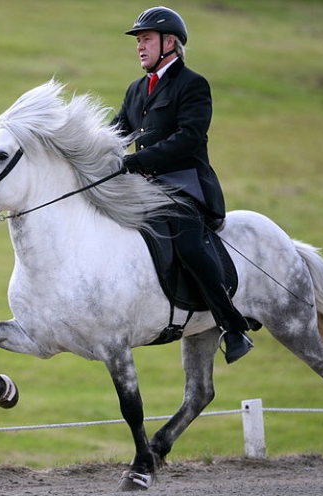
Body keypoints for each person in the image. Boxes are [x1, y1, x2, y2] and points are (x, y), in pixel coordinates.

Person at [112, 6, 253, 363]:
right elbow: (116, 132)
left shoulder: (192, 84)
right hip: (146, 186)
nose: (139, 46)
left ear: (169, 42)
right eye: (138, 40)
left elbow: (189, 138)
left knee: (188, 246)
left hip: (185, 185)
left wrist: (138, 160)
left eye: (146, 39)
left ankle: (233, 327)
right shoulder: (136, 89)